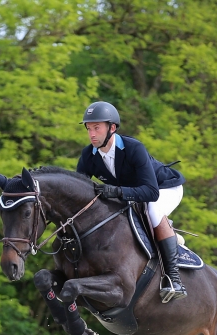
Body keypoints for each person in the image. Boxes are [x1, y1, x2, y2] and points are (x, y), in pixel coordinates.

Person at [76, 101, 188, 303]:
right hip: (135, 193)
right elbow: (80, 193)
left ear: (112, 128)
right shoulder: (88, 155)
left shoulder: (133, 148)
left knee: (153, 210)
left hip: (164, 188)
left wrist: (118, 191)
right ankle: (167, 237)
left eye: (97, 128)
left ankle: (173, 279)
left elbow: (151, 193)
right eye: (89, 129)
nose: (92, 134)